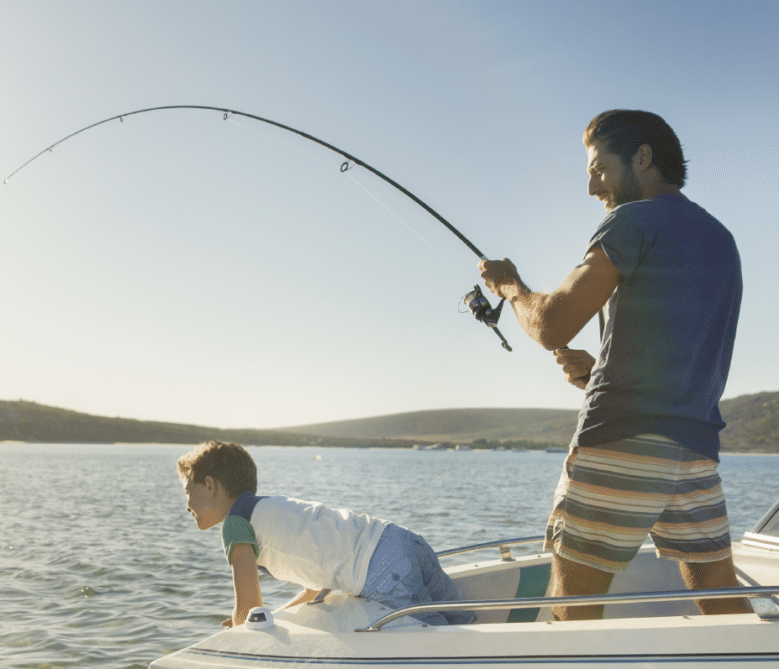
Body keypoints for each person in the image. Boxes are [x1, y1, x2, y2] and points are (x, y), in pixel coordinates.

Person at [478, 109, 751, 620]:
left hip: (618, 440)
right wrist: (595, 372)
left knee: (573, 603)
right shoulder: (721, 239)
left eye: (598, 168)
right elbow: (678, 350)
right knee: (722, 597)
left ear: (642, 158)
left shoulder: (632, 221)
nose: (591, 187)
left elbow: (552, 325)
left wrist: (511, 287)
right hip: (693, 451)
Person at [177, 440, 473, 627]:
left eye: (188, 492)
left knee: (436, 639)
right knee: (466, 620)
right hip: (400, 540)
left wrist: (242, 627)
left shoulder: (236, 524)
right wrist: (278, 616)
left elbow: (250, 605)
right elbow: (316, 586)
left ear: (211, 486)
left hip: (381, 571)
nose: (188, 504)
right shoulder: (272, 509)